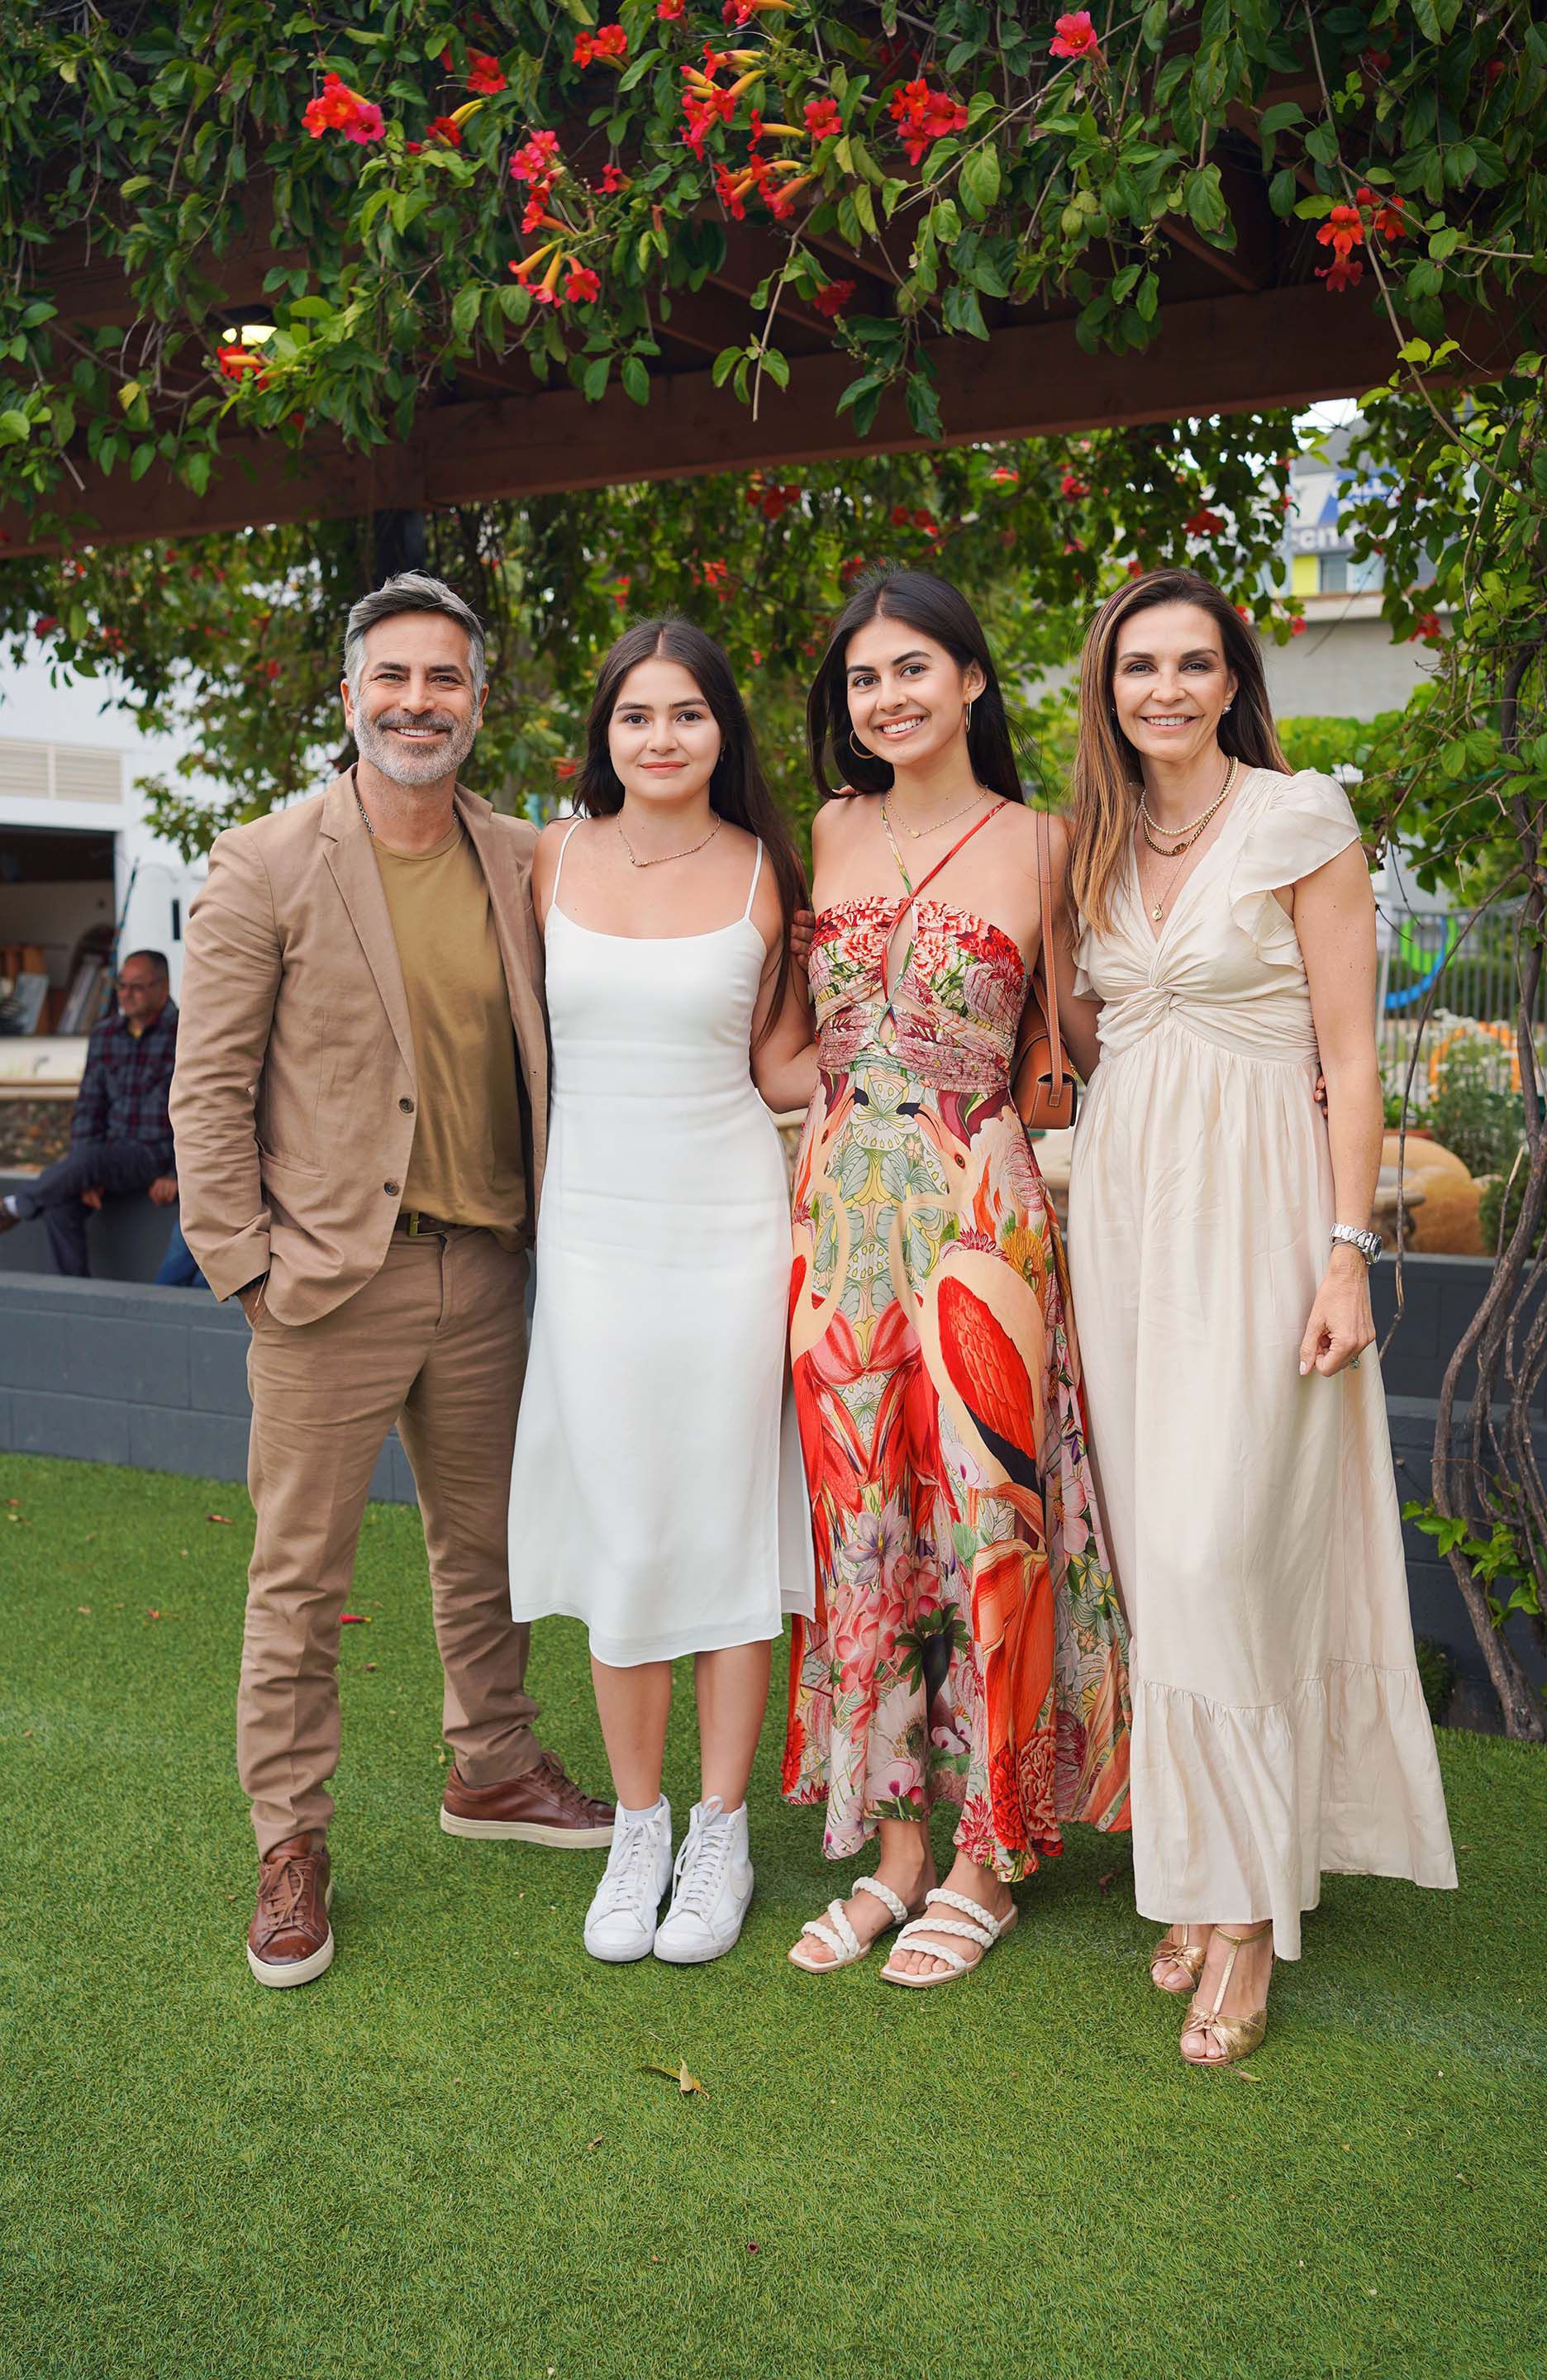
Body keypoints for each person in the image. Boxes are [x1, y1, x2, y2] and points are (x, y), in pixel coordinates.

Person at [170, 570, 614, 1992]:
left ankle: (492, 1766)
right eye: (393, 677)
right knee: (298, 1581)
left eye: (446, 680)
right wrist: (249, 1268)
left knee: (488, 1552)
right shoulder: (266, 859)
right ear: (349, 694)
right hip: (325, 1286)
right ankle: (290, 1845)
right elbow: (211, 1085)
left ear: (479, 704)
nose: (417, 702)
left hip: (486, 1272)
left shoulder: (526, 858)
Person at [1062, 566, 1457, 2066]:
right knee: (1165, 1554)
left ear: (1235, 682)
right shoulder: (1098, 842)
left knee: (1223, 1543)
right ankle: (1209, 1863)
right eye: (1138, 666)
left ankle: (1242, 1927)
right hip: (1126, 1217)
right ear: (1109, 689)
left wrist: (1346, 1254)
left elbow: (1350, 1063)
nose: (1164, 688)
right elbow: (1101, 1040)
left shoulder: (1302, 819)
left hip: (1265, 1219)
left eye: (1193, 663)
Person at [782, 568, 1130, 1988]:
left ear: (973, 681)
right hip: (835, 1224)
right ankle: (899, 1849)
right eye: (865, 680)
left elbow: (1092, 1032)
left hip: (984, 1210)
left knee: (990, 1523)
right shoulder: (826, 829)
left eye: (914, 669)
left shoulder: (1043, 840)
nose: (888, 698)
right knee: (862, 1529)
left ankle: (991, 1850)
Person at [508, 618, 816, 1966]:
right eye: (637, 715)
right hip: (590, 1234)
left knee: (726, 1527)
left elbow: (785, 1068)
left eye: (687, 713)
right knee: (626, 1525)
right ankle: (638, 1826)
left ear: (722, 733)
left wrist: (912, 1045)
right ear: (605, 735)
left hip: (731, 1230)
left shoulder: (767, 872)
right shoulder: (549, 859)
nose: (662, 737)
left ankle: (722, 1829)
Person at [0, 950, 180, 1274]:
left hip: (154, 1156)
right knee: (59, 1205)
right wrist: (84, 1176)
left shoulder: (186, 1036)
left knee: (89, 1161)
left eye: (137, 986)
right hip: (105, 1159)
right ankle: (76, 1297)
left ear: (163, 987)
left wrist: (178, 1174)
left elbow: (200, 1113)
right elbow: (88, 1107)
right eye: (121, 985)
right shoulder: (105, 1034)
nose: (126, 994)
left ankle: (15, 1206)